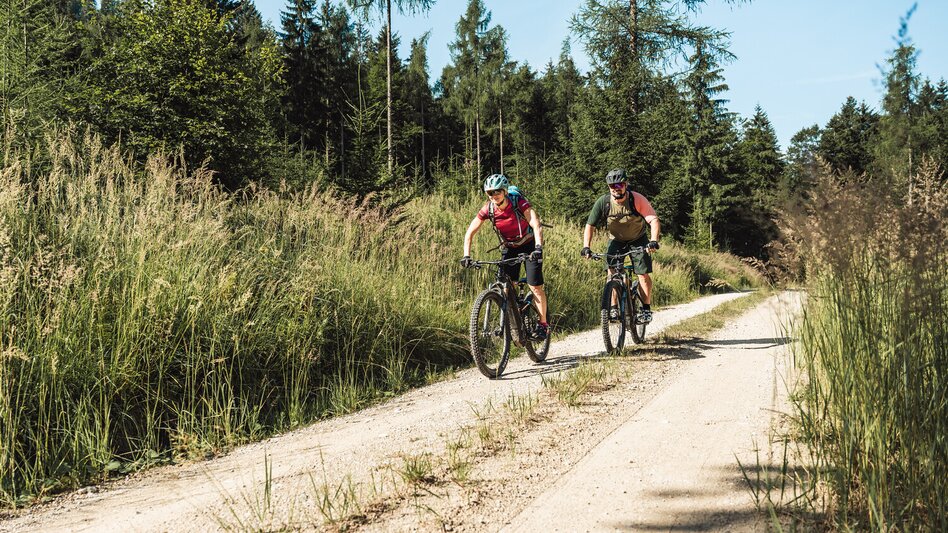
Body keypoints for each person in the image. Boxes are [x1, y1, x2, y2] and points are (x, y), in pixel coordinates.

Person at [461, 174, 549, 340]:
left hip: (530, 244)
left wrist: (538, 247)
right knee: (508, 283)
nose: (494, 196)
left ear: (505, 191)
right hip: (509, 246)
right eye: (490, 193)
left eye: (497, 192)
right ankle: (515, 317)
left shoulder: (518, 202)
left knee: (535, 286)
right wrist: (466, 255)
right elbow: (470, 232)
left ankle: (543, 324)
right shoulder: (489, 209)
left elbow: (535, 224)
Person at [581, 168, 661, 324]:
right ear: (609, 187)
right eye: (612, 186)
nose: (616, 188)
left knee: (643, 275)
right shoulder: (603, 202)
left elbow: (653, 220)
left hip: (638, 239)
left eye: (619, 185)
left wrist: (653, 241)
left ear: (626, 184)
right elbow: (590, 225)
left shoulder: (636, 199)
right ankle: (613, 308)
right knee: (612, 274)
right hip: (616, 240)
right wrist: (586, 247)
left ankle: (645, 308)